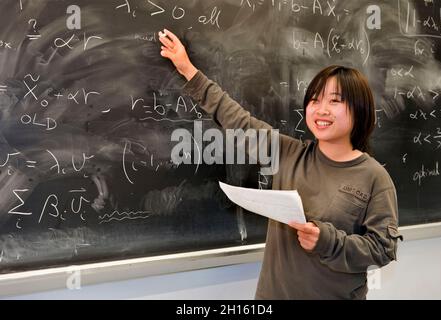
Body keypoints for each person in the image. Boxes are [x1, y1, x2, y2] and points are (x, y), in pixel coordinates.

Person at [158, 29, 403, 300]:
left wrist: (327, 241)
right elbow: (237, 120)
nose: (321, 110)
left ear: (359, 111)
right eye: (315, 99)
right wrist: (188, 70)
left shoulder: (374, 177)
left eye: (334, 101)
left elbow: (383, 249)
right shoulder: (287, 153)